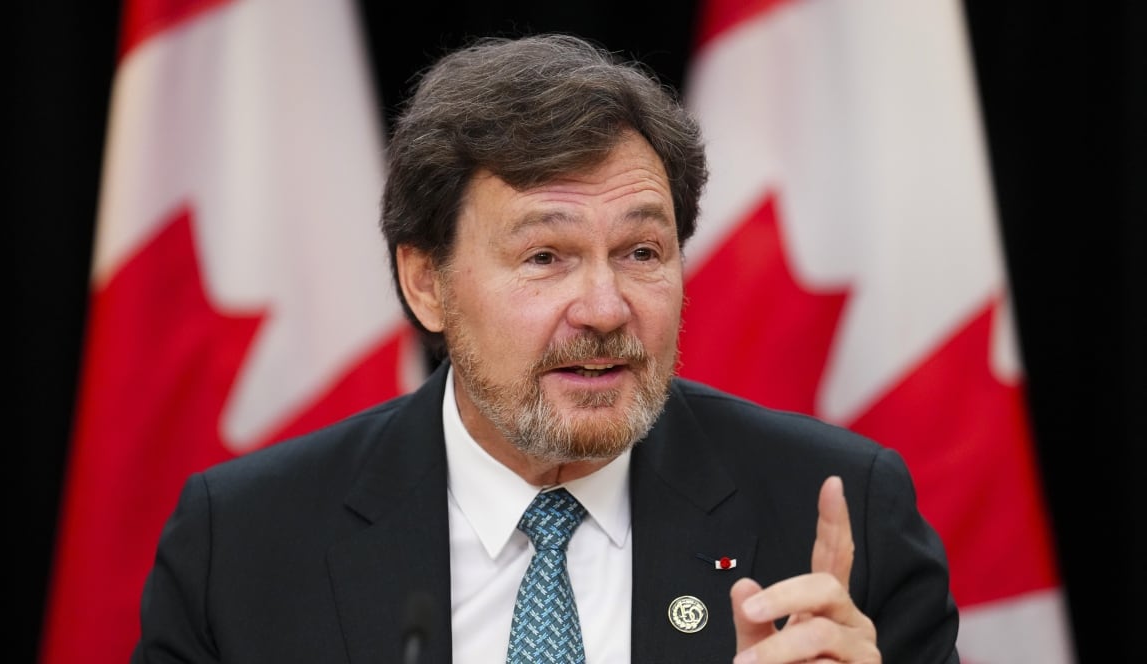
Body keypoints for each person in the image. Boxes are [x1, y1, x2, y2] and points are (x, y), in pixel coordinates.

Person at [131, 34, 959, 663]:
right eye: (544, 258)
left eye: (642, 253)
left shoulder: (845, 523)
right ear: (427, 283)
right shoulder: (242, 545)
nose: (603, 309)